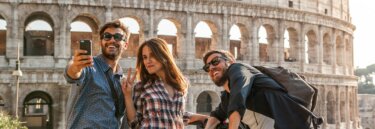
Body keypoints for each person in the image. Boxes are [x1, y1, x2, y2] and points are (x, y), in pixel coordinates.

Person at [202, 50, 313, 129]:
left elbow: (238, 98)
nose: (211, 67)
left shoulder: (238, 68)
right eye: (207, 67)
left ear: (230, 61)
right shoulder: (227, 96)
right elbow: (217, 115)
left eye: (215, 61)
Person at [121, 38, 208, 129]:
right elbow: (134, 122)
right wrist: (127, 95)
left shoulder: (180, 85)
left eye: (152, 55)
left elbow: (177, 115)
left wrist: (204, 118)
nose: (148, 61)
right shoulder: (142, 86)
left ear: (164, 55)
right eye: (145, 57)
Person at [64, 20, 130, 129]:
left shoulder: (123, 80)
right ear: (101, 42)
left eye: (117, 37)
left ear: (125, 44)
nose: (112, 40)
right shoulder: (89, 66)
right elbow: (72, 74)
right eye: (107, 36)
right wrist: (75, 67)